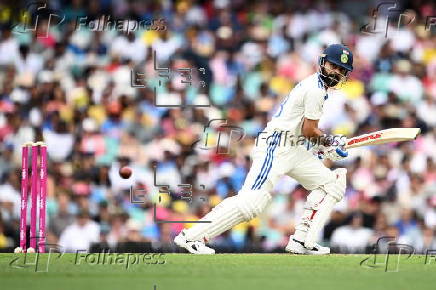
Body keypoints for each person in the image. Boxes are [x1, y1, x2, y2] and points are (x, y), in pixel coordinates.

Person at [174, 44, 354, 255]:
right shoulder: (315, 89)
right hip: (276, 147)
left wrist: (323, 145)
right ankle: (191, 237)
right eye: (334, 66)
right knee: (252, 203)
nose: (337, 72)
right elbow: (309, 131)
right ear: (323, 63)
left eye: (342, 70)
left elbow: (305, 132)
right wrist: (329, 142)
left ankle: (302, 241)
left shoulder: (319, 88)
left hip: (294, 148)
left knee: (332, 184)